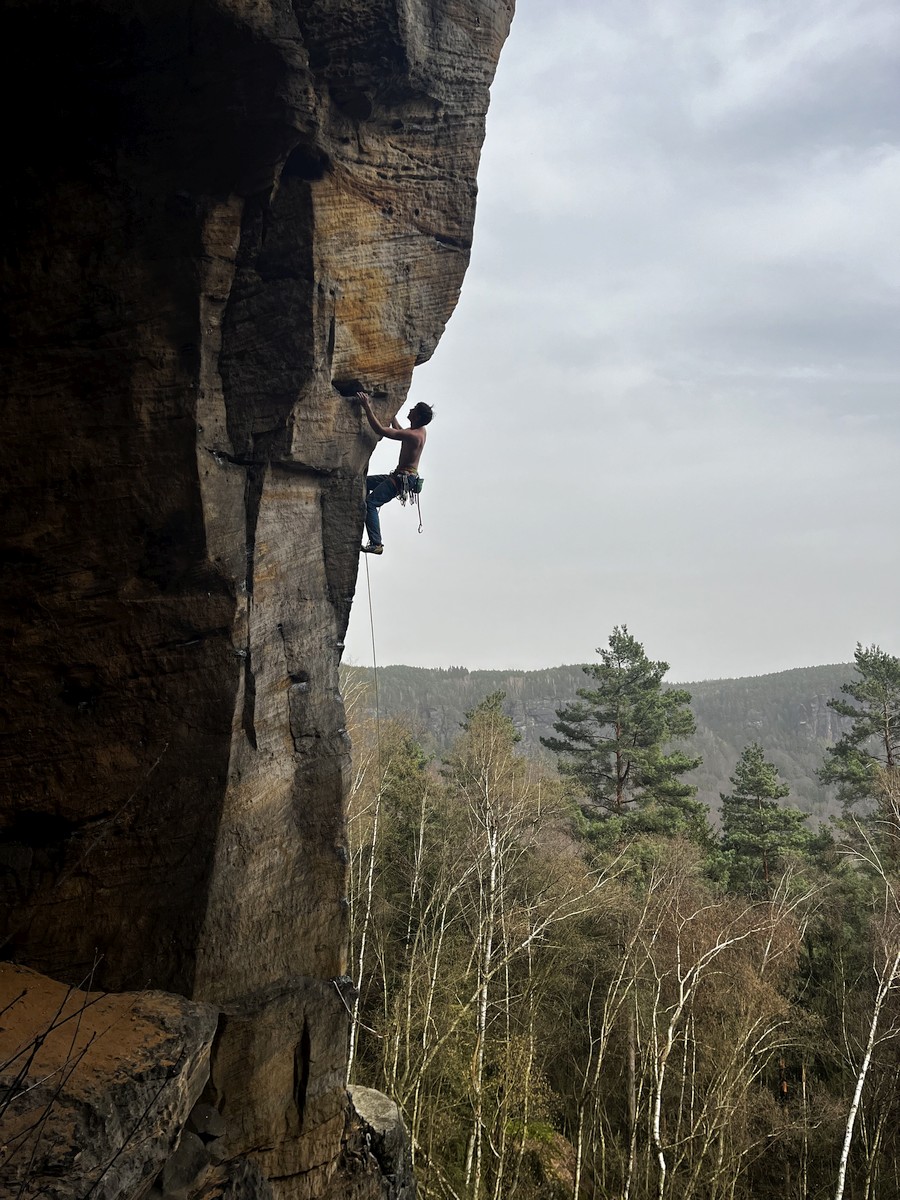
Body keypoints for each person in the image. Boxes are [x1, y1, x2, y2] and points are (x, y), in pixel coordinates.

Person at [353, 391, 433, 554]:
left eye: (414, 409)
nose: (410, 409)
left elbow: (380, 430)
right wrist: (393, 416)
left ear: (416, 417)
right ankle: (365, 515)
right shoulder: (419, 431)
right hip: (403, 476)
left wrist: (366, 407)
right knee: (364, 482)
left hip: (402, 479)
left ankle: (376, 544)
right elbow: (399, 431)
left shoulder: (414, 436)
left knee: (371, 503)